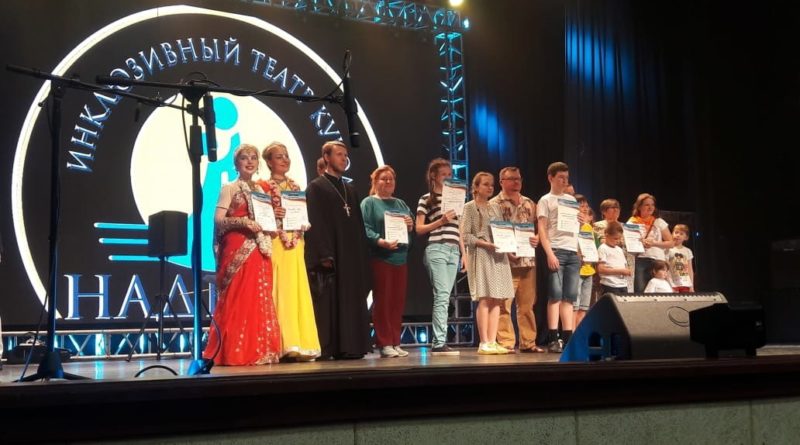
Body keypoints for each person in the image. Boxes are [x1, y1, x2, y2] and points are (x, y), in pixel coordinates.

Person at [204, 144, 282, 366]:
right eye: (244, 158)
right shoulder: (229, 188)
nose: (249, 161)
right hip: (237, 245)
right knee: (238, 295)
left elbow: (268, 225)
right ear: (236, 164)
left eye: (253, 158)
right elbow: (219, 220)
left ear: (258, 163)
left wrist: (276, 217)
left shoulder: (262, 191)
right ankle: (233, 352)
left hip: (259, 248)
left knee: (258, 296)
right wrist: (244, 222)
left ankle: (258, 351)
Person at [304, 141, 371, 360]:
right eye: (339, 154)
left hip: (351, 254)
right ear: (326, 157)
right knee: (331, 301)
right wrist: (324, 253)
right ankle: (331, 347)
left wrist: (362, 254)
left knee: (351, 299)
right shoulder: (316, 187)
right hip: (332, 254)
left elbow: (358, 224)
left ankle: (352, 346)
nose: (344, 158)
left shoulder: (349, 189)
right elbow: (315, 222)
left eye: (345, 155)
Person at [262, 142, 320, 361]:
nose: (285, 160)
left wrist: (304, 222)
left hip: (295, 242)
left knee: (296, 289)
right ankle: (280, 343)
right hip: (276, 240)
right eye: (279, 157)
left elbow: (301, 213)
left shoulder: (295, 186)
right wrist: (272, 212)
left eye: (286, 156)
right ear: (269, 162)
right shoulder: (262, 186)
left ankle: (299, 343)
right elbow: (259, 215)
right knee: (279, 288)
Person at [360, 165, 414, 358]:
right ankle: (384, 342)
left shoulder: (400, 203)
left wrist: (410, 225)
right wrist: (380, 241)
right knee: (382, 302)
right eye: (384, 179)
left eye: (391, 179)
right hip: (381, 257)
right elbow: (364, 228)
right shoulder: (369, 203)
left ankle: (395, 341)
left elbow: (410, 226)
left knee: (397, 302)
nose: (388, 182)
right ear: (375, 182)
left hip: (400, 258)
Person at [490, 166, 543, 353]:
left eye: (518, 178)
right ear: (502, 182)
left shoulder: (529, 203)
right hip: (506, 260)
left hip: (527, 260)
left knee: (527, 305)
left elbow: (539, 227)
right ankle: (506, 342)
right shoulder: (495, 203)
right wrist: (506, 252)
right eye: (512, 179)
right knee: (504, 304)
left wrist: (537, 237)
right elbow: (493, 231)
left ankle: (528, 342)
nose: (516, 182)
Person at [461, 172, 514, 355]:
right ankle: (483, 342)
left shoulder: (495, 207)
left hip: (498, 254)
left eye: (491, 184)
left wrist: (508, 248)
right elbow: (465, 236)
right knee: (485, 298)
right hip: (482, 254)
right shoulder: (469, 207)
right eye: (485, 184)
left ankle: (492, 341)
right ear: (475, 187)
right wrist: (485, 244)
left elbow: (502, 231)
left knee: (497, 298)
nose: (490, 187)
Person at [416, 158, 463, 356]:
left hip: (454, 250)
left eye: (450, 174)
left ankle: (441, 340)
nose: (448, 177)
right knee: (442, 295)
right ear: (434, 176)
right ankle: (438, 342)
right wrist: (440, 221)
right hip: (437, 248)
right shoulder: (426, 199)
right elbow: (419, 228)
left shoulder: (456, 198)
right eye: (444, 174)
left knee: (445, 296)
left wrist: (464, 254)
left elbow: (459, 228)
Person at [537, 162, 581, 353]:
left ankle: (568, 337)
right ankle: (553, 338)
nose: (564, 181)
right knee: (555, 295)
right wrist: (549, 253)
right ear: (551, 178)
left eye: (566, 178)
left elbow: (575, 228)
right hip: (556, 250)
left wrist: (580, 223)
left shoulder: (571, 200)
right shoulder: (545, 200)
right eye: (561, 177)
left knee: (569, 298)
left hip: (572, 251)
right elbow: (542, 229)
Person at [627, 193, 673, 293]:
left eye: (652, 204)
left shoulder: (658, 221)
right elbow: (629, 243)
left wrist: (654, 243)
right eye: (647, 205)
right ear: (639, 206)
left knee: (659, 291)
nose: (650, 207)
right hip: (640, 259)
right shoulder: (632, 222)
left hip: (658, 260)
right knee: (640, 290)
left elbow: (671, 243)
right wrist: (639, 243)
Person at [594, 198, 634, 292]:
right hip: (608, 261)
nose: (616, 210)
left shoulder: (626, 226)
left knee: (626, 291)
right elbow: (601, 241)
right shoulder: (598, 225)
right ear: (604, 211)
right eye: (612, 207)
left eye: (618, 207)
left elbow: (632, 242)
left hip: (626, 261)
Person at [574, 194, 596, 328]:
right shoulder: (572, 225)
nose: (585, 208)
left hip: (588, 270)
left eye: (586, 206)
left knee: (583, 307)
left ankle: (579, 335)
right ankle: (571, 335)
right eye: (581, 206)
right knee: (574, 307)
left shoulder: (588, 227)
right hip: (577, 270)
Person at [596, 221, 631, 296]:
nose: (618, 241)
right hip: (610, 285)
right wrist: (620, 271)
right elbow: (601, 269)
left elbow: (623, 265)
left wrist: (627, 271)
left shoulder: (619, 249)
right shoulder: (603, 248)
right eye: (615, 239)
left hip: (622, 285)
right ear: (607, 235)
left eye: (619, 239)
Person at [668, 224, 695, 292]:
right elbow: (666, 268)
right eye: (676, 232)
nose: (678, 235)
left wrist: (691, 286)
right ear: (672, 234)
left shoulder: (688, 251)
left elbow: (690, 269)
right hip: (673, 283)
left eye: (681, 234)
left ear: (686, 237)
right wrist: (669, 284)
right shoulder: (668, 249)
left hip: (686, 284)